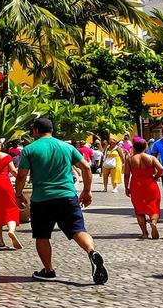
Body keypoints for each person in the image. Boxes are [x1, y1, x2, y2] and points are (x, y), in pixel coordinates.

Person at [15, 117, 107, 284]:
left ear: (35, 130)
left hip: (42, 199)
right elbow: (86, 167)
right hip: (67, 197)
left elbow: (21, 175)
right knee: (78, 230)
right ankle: (92, 251)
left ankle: (48, 270)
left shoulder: (29, 149)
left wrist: (19, 194)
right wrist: (87, 191)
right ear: (51, 131)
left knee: (42, 235)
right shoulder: (66, 147)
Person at [125, 136, 163, 240]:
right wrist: (156, 177)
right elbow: (161, 169)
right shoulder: (151, 158)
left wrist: (126, 187)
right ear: (145, 147)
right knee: (154, 206)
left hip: (136, 185)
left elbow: (127, 174)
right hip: (150, 183)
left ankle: (144, 233)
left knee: (139, 210)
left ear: (134, 148)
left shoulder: (130, 159)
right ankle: (153, 222)